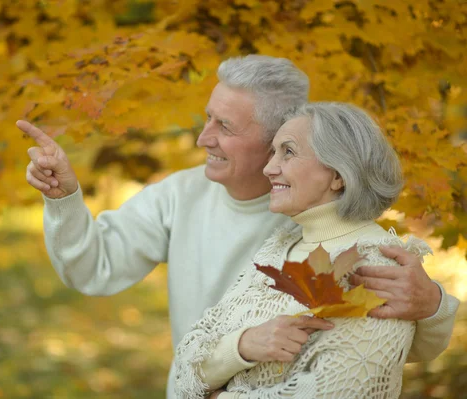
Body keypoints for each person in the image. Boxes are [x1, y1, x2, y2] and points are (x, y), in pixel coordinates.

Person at [17, 55, 459, 398]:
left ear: (276, 136)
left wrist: (434, 305)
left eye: (223, 125)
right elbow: (93, 268)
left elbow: (381, 354)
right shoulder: (185, 196)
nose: (202, 138)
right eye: (207, 117)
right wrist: (64, 200)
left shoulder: (321, 223)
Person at [174, 102, 451, 398]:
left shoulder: (375, 264)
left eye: (288, 152)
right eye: (273, 152)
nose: (269, 168)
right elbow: (184, 369)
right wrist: (242, 345)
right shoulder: (280, 247)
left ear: (338, 175)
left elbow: (337, 391)